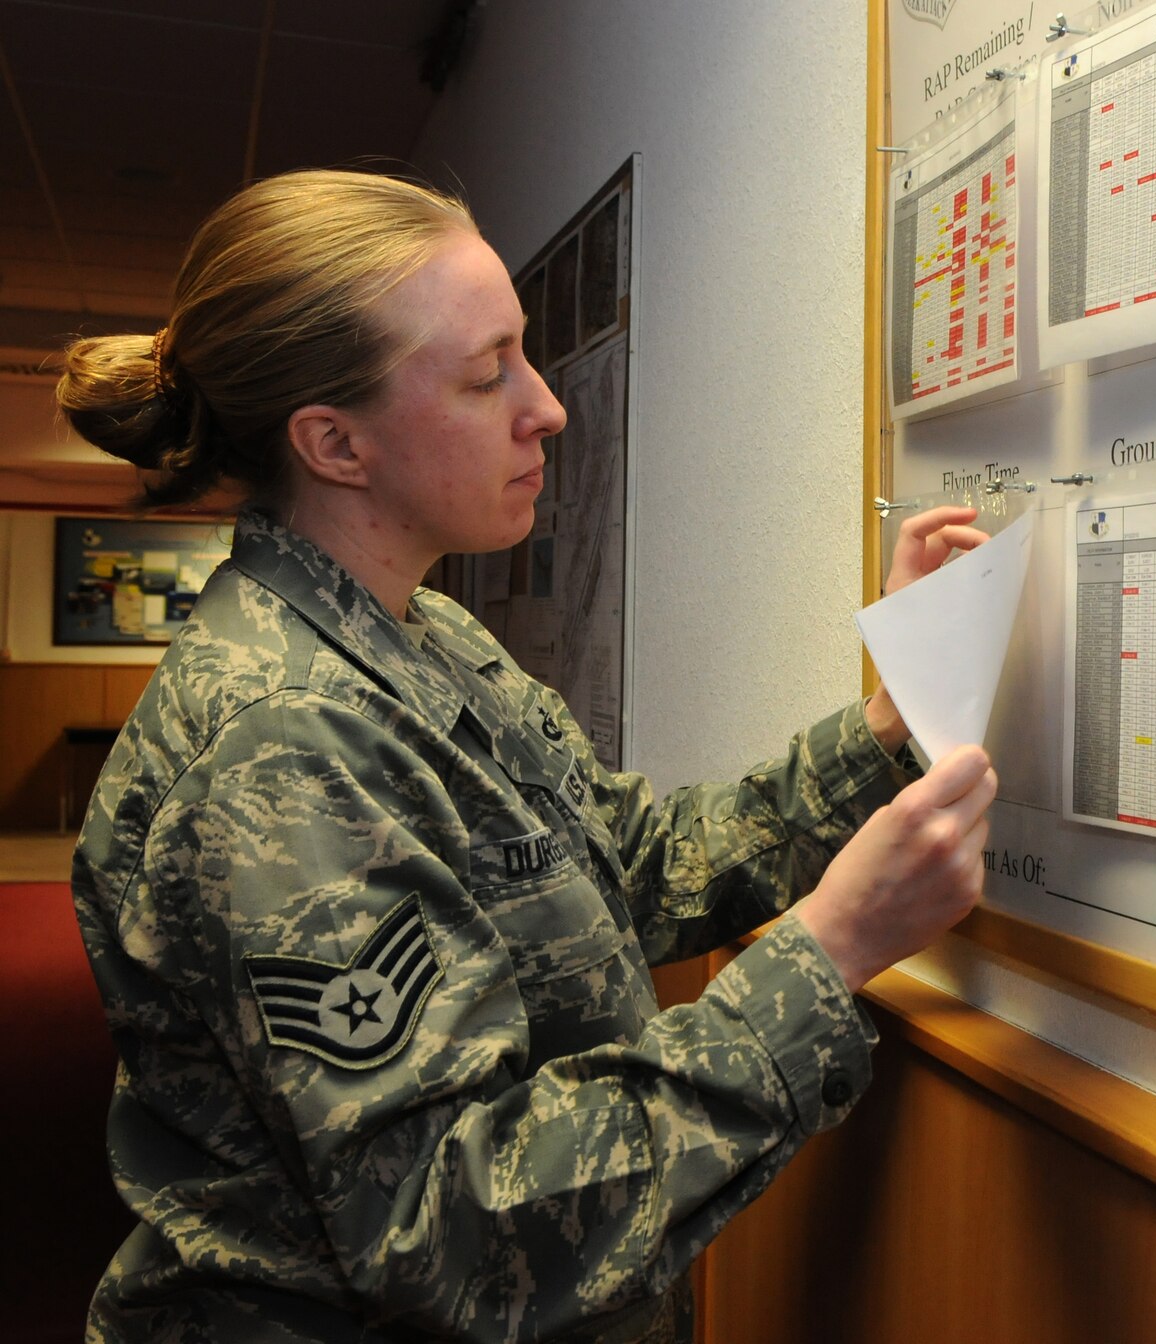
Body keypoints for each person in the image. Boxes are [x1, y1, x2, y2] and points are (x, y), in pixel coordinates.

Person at [57, 168, 996, 1343]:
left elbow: (629, 867)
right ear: (335, 443)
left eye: (527, 355)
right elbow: (443, 1233)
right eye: (484, 372)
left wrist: (884, 725)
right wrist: (829, 951)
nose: (546, 407)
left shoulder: (420, 632)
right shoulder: (286, 744)